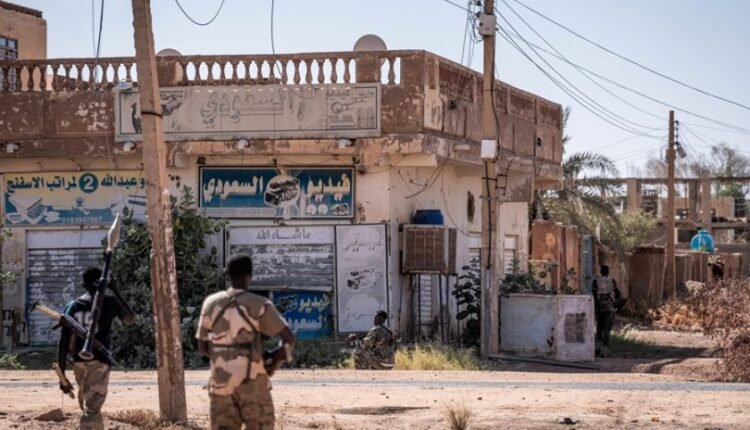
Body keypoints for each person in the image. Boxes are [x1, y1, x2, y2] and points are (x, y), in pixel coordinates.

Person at [197, 254, 295, 430]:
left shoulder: (210, 304)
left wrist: (224, 358)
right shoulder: (260, 304)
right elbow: (288, 339)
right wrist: (274, 361)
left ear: (227, 275)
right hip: (253, 382)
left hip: (220, 384)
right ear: (250, 275)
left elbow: (202, 346)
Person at [57, 267, 135, 430]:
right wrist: (116, 290)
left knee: (91, 405)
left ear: (83, 285)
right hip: (100, 362)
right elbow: (130, 319)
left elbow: (63, 341)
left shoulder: (73, 306)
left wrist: (62, 376)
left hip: (78, 362)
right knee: (92, 409)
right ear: (104, 284)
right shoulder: (111, 302)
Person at [592, 265, 621, 358]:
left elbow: (594, 294)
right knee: (607, 329)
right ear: (608, 272)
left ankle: (597, 348)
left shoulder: (596, 281)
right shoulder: (612, 281)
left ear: (600, 272)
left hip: (599, 308)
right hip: (609, 308)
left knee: (599, 328)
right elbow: (617, 294)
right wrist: (616, 303)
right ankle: (605, 350)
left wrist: (596, 306)